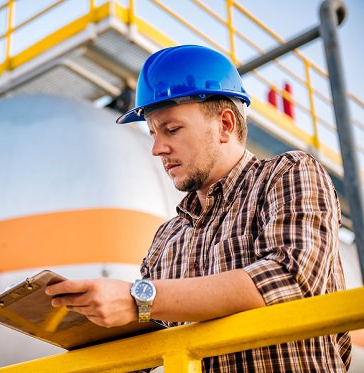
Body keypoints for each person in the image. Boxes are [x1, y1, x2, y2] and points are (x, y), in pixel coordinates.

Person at [45, 45, 351, 371]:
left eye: (171, 129)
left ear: (225, 125)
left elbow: (288, 279)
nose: (157, 148)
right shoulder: (166, 239)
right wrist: (94, 327)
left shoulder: (287, 174)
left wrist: (139, 299)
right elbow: (151, 344)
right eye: (151, 132)